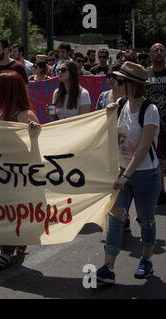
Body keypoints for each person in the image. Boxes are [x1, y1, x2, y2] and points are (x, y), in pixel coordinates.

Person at [96, 62, 161, 284]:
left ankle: (146, 260)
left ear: (133, 85)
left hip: (145, 174)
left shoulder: (149, 110)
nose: (116, 83)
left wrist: (126, 176)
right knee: (115, 218)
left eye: (121, 80)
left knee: (145, 219)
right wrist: (107, 115)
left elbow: (143, 149)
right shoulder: (120, 103)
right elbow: (111, 135)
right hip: (122, 171)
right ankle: (108, 267)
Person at [0, 71, 40, 269]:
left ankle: (6, 252)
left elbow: (37, 149)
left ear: (7, 90)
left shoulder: (25, 116)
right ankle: (19, 238)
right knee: (0, 210)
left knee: (11, 210)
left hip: (18, 174)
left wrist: (35, 135)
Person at [146, 43, 166, 204]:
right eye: (155, 51)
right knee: (157, 158)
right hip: (152, 122)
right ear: (150, 55)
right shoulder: (146, 74)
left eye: (161, 50)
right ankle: (160, 191)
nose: (159, 53)